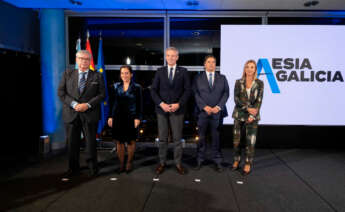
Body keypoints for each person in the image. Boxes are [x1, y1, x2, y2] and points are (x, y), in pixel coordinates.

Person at [58, 50, 106, 178]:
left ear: (90, 61)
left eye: (86, 59)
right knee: (72, 143)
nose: (83, 61)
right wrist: (74, 104)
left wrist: (87, 105)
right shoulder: (67, 74)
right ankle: (73, 168)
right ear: (76, 59)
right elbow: (61, 93)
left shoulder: (97, 76)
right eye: (81, 58)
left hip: (90, 114)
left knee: (90, 143)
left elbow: (102, 95)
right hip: (71, 113)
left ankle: (92, 169)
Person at [150, 47, 191, 175]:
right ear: (166, 57)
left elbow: (188, 91)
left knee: (177, 139)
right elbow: (153, 90)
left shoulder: (183, 71)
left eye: (173, 55)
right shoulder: (160, 71)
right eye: (168, 55)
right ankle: (162, 163)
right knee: (162, 139)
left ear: (177, 57)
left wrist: (178, 104)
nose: (171, 58)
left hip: (177, 110)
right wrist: (161, 104)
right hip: (162, 110)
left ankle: (178, 164)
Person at [193, 55, 229, 172]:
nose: (211, 64)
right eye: (209, 62)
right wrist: (204, 106)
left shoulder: (222, 78)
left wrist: (218, 107)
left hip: (217, 113)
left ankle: (218, 161)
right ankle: (199, 159)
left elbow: (226, 93)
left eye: (213, 62)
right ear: (204, 64)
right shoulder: (198, 78)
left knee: (216, 138)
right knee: (201, 138)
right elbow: (195, 94)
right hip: (202, 113)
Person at [108, 65, 143, 174]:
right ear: (120, 75)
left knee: (131, 141)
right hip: (118, 117)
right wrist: (110, 116)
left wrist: (138, 118)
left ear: (131, 74)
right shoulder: (115, 86)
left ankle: (129, 163)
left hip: (131, 118)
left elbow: (140, 104)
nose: (124, 75)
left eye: (127, 73)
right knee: (119, 141)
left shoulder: (137, 87)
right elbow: (112, 103)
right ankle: (121, 164)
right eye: (122, 73)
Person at [232, 59, 264, 176]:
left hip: (253, 116)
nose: (249, 69)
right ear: (244, 69)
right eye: (247, 67)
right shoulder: (238, 82)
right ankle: (236, 160)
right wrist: (247, 108)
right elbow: (236, 99)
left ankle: (247, 163)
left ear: (255, 69)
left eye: (252, 67)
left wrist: (252, 114)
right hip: (239, 114)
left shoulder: (260, 83)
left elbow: (259, 100)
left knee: (250, 141)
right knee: (237, 141)